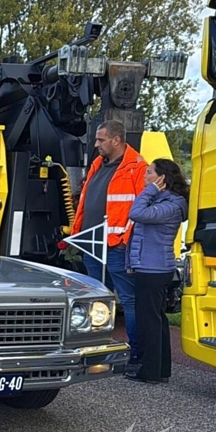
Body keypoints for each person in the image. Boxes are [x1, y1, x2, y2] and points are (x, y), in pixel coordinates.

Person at [69, 120, 146, 363]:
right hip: (91, 243)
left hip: (115, 245)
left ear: (117, 140)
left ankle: (136, 353)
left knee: (127, 298)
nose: (96, 144)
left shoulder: (137, 167)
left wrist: (124, 240)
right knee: (95, 297)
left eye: (101, 140)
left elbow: (140, 207)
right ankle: (94, 347)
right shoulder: (98, 164)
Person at [124, 158, 189, 384]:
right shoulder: (165, 202)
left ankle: (150, 371)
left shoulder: (170, 205)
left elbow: (136, 213)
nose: (145, 177)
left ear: (162, 178)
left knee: (149, 321)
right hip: (151, 266)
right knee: (157, 320)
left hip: (153, 268)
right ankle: (160, 369)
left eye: (149, 173)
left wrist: (150, 191)